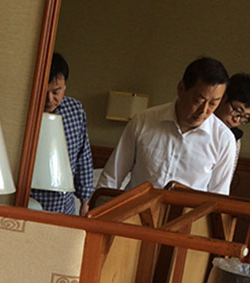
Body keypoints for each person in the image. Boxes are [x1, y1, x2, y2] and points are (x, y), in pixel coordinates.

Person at [98, 57, 237, 195]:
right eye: (198, 101)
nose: (204, 111)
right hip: (136, 208)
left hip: (188, 210)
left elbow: (218, 196)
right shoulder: (143, 121)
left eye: (213, 103)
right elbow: (111, 177)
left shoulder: (224, 140)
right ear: (181, 89)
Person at [29, 52, 94, 216]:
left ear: (65, 86)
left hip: (65, 205)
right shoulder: (25, 112)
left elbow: (83, 156)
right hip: (32, 202)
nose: (49, 99)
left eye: (56, 92)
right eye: (43, 92)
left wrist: (85, 200)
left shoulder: (75, 110)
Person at [214, 72, 250, 168]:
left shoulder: (235, 138)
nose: (236, 120)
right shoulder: (198, 120)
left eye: (244, 117)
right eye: (237, 110)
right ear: (223, 97)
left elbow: (229, 172)